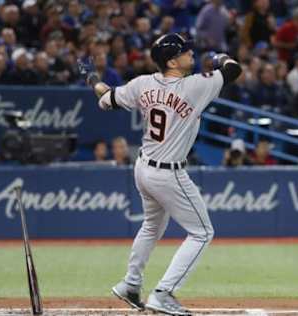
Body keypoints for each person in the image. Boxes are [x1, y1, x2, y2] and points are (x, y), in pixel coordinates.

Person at [79, 33, 242, 315]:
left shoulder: (142, 83)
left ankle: (131, 284)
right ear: (171, 61)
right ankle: (163, 293)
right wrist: (218, 58)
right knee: (202, 233)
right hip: (168, 173)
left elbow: (106, 96)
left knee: (152, 227)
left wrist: (91, 76)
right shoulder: (194, 86)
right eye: (186, 52)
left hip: (143, 168)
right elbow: (233, 70)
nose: (191, 55)